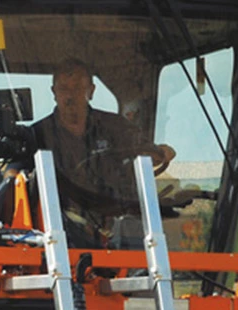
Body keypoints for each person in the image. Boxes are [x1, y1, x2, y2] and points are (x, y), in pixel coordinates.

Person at [31, 60, 176, 244]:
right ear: (54, 92)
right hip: (61, 237)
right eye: (63, 88)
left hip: (117, 229)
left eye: (77, 88)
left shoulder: (115, 127)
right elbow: (17, 178)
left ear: (91, 91)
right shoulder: (37, 134)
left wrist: (161, 153)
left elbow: (150, 153)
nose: (70, 95)